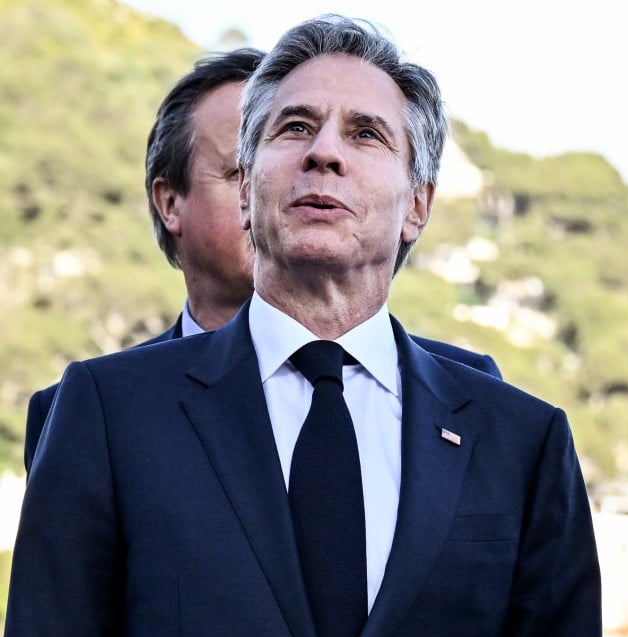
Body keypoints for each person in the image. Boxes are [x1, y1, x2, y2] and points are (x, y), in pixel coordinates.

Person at [1, 14, 601, 637]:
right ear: (247, 189)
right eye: (293, 127)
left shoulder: (523, 442)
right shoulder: (109, 411)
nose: (324, 153)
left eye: (366, 133)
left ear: (418, 206)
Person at [22, 47, 501, 475]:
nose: (306, 176)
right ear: (170, 203)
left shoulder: (472, 394)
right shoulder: (96, 405)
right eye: (239, 170)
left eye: (361, 136)